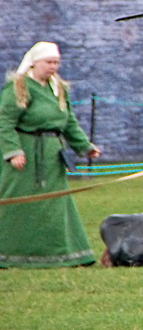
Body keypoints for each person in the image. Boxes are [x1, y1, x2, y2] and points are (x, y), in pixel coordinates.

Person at [0, 42, 101, 268]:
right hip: (24, 154)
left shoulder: (59, 88)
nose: (53, 67)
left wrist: (85, 147)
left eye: (56, 62)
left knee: (55, 204)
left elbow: (68, 122)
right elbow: (4, 121)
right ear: (35, 62)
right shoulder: (18, 87)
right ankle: (9, 255)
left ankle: (61, 255)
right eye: (48, 62)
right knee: (18, 202)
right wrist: (13, 151)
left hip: (52, 154)